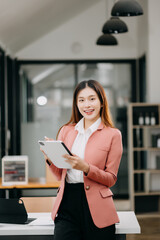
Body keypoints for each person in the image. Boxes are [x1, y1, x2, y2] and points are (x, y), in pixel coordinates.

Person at [41, 79, 123, 240]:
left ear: (101, 102)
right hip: (67, 204)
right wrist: (50, 159)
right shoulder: (66, 131)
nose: (87, 105)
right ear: (76, 104)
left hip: (98, 207)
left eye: (92, 99)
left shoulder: (113, 135)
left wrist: (86, 168)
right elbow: (59, 175)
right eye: (81, 100)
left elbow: (111, 179)